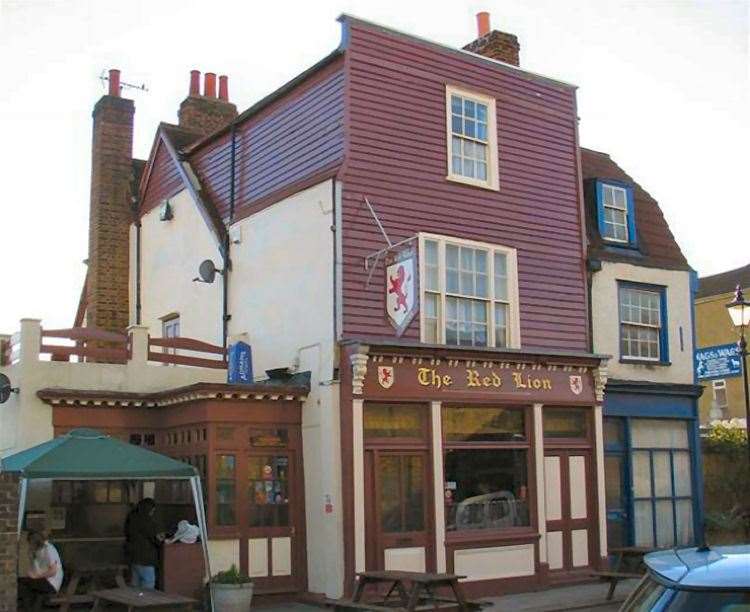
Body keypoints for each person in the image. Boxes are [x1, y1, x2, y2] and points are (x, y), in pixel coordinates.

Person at [17, 530, 63, 610]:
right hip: (42, 580)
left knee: (22, 583)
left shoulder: (49, 550)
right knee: (24, 587)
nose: (29, 545)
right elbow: (36, 568)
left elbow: (53, 571)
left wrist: (36, 576)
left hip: (51, 582)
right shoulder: (37, 551)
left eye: (30, 543)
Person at [125, 498, 163, 589]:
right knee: (148, 586)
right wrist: (161, 539)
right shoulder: (148, 521)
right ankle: (145, 603)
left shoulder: (131, 518)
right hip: (146, 558)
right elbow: (155, 538)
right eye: (152, 511)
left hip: (133, 557)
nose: (152, 513)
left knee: (135, 586)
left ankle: (133, 603)